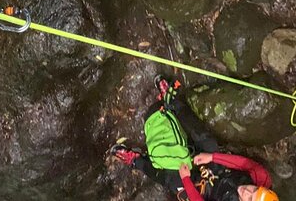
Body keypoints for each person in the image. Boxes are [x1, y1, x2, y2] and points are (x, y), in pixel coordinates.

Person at [109, 76, 279, 201]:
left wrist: (186, 180)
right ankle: (172, 102)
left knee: (173, 182)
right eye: (253, 189)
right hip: (220, 170)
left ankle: (136, 161)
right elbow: (244, 164)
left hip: (207, 191)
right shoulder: (262, 177)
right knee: (208, 142)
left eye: (249, 199)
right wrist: (212, 157)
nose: (245, 191)